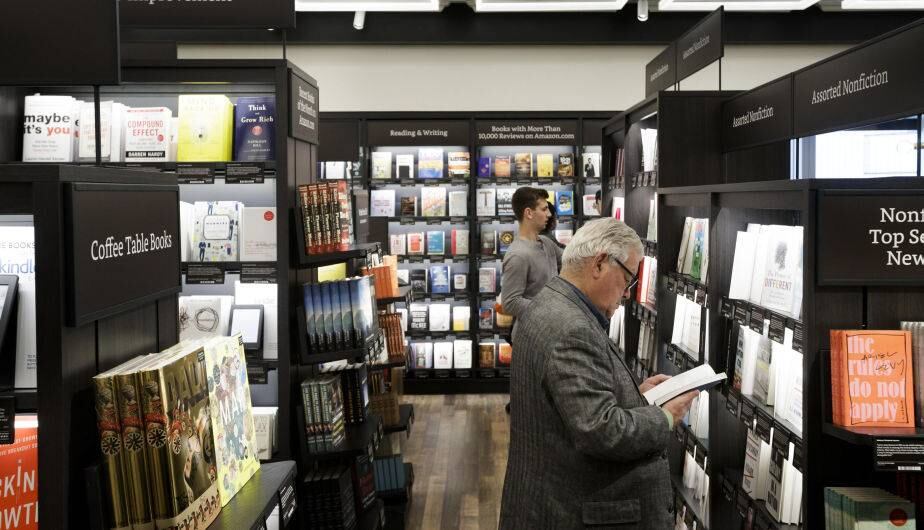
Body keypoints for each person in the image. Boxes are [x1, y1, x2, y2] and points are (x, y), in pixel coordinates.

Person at [499, 218, 697, 530]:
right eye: (627, 279)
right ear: (600, 263)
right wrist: (665, 416)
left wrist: (634, 396)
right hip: (576, 512)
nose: (627, 293)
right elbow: (601, 431)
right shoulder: (572, 328)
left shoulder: (549, 302)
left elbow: (570, 403)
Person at [500, 187, 562, 320]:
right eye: (544, 209)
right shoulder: (517, 255)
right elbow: (510, 303)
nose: (549, 214)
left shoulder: (547, 242)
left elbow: (570, 260)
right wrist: (549, 309)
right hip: (534, 329)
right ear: (529, 213)